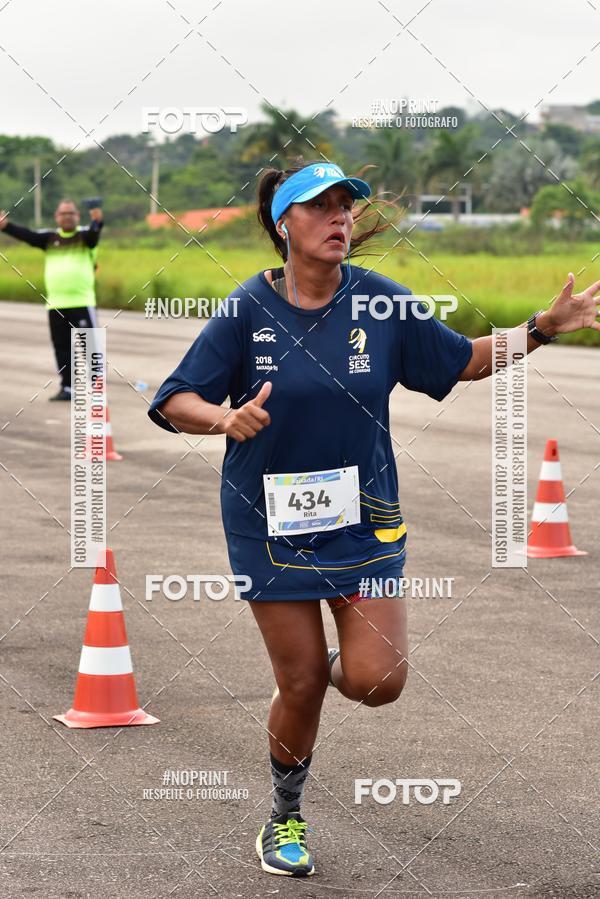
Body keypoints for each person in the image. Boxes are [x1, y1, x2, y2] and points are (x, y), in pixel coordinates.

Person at [147, 160, 600, 878]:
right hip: (271, 523)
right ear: (283, 224)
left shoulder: (382, 304)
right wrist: (224, 417)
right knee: (298, 686)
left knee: (378, 679)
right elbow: (175, 399)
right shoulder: (244, 311)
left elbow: (466, 362)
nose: (339, 219)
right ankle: (284, 816)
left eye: (346, 208)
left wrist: (543, 327)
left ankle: (316, 670)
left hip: (365, 518)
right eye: (320, 208)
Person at [0, 199, 104, 400]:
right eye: (63, 213)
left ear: (77, 216)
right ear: (57, 217)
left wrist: (97, 219)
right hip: (56, 304)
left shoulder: (85, 237)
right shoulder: (49, 238)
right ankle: (68, 388)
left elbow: (95, 233)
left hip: (82, 302)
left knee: (90, 346)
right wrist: (6, 226)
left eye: (71, 213)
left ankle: (97, 388)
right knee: (62, 348)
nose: (67, 216)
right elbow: (28, 235)